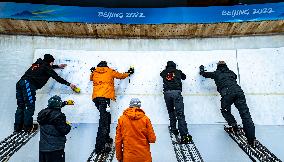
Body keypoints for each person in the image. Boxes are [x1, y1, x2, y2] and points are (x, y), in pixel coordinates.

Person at [14, 54, 77, 133]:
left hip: (20, 83)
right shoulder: (46, 67)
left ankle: (17, 127)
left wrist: (57, 66)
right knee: (29, 106)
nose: (52, 64)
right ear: (50, 62)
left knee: (21, 106)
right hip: (28, 85)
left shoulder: (38, 63)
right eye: (52, 63)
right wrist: (69, 84)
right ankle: (28, 127)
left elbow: (45, 67)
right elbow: (56, 77)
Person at [199, 61, 255, 146]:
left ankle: (233, 125)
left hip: (227, 93)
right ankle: (251, 139)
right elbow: (235, 77)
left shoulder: (216, 73)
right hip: (239, 92)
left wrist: (202, 69)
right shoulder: (231, 72)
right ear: (226, 66)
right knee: (245, 115)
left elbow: (204, 74)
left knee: (225, 111)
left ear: (218, 67)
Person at [90, 61, 134, 154]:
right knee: (103, 122)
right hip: (105, 99)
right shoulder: (109, 71)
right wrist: (129, 72)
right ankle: (100, 147)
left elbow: (91, 78)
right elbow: (121, 76)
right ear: (106, 66)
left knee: (107, 117)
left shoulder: (94, 72)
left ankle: (106, 138)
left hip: (96, 99)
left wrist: (93, 71)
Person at [160, 61, 192, 144]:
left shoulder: (163, 72)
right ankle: (184, 135)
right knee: (180, 113)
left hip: (167, 94)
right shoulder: (178, 71)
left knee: (171, 112)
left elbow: (161, 74)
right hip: (176, 93)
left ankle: (173, 129)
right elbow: (184, 77)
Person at [37, 95, 73, 162]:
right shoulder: (59, 116)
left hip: (43, 148)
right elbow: (64, 130)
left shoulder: (42, 114)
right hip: (56, 149)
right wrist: (68, 125)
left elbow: (52, 109)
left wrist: (65, 103)